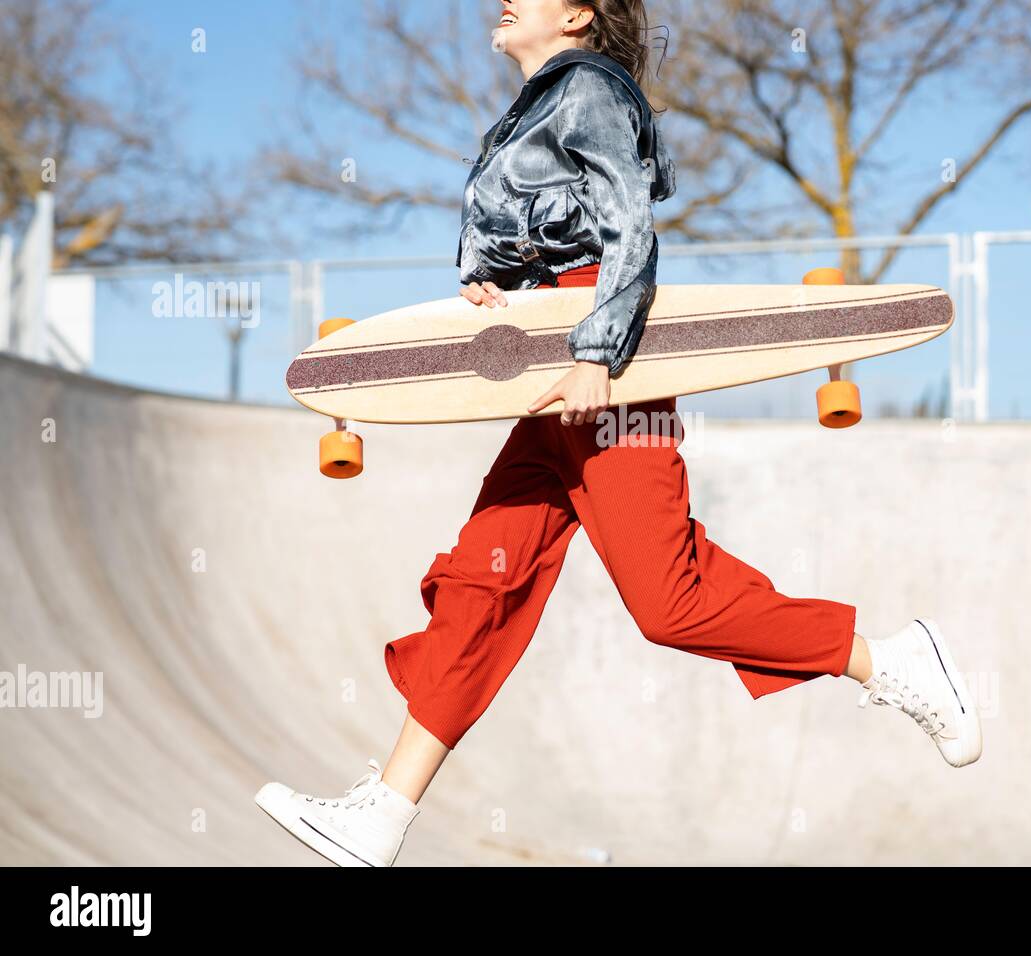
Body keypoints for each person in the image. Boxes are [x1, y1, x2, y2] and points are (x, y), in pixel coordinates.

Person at [255, 0, 982, 868]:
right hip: (549, 368)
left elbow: (628, 221)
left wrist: (597, 353)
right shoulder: (534, 106)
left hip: (607, 366)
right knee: (481, 587)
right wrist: (498, 285)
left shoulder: (589, 88)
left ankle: (889, 660)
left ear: (576, 16)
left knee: (667, 601)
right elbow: (546, 231)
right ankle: (384, 813)